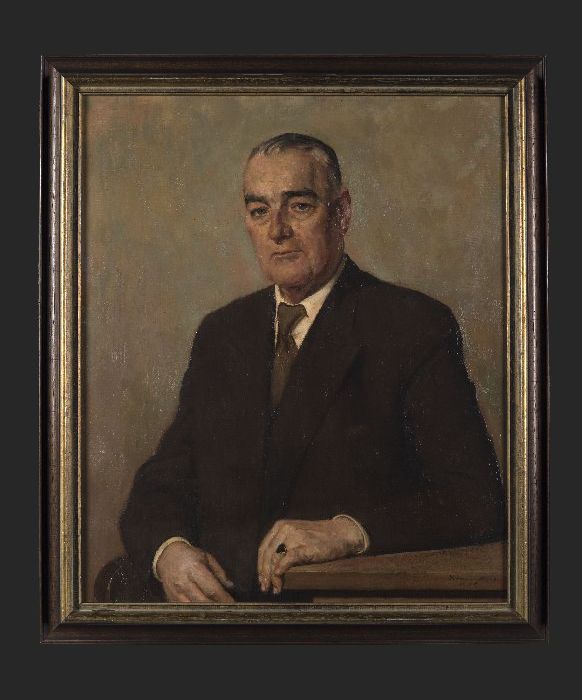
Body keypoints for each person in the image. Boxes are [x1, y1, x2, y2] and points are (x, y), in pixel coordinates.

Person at [120, 132, 504, 604]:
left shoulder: (412, 326)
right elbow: (162, 482)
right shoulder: (223, 332)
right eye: (259, 211)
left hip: (334, 607)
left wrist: (348, 531)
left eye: (299, 206)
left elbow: (476, 500)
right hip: (221, 608)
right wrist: (169, 552)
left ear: (342, 213)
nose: (277, 230)